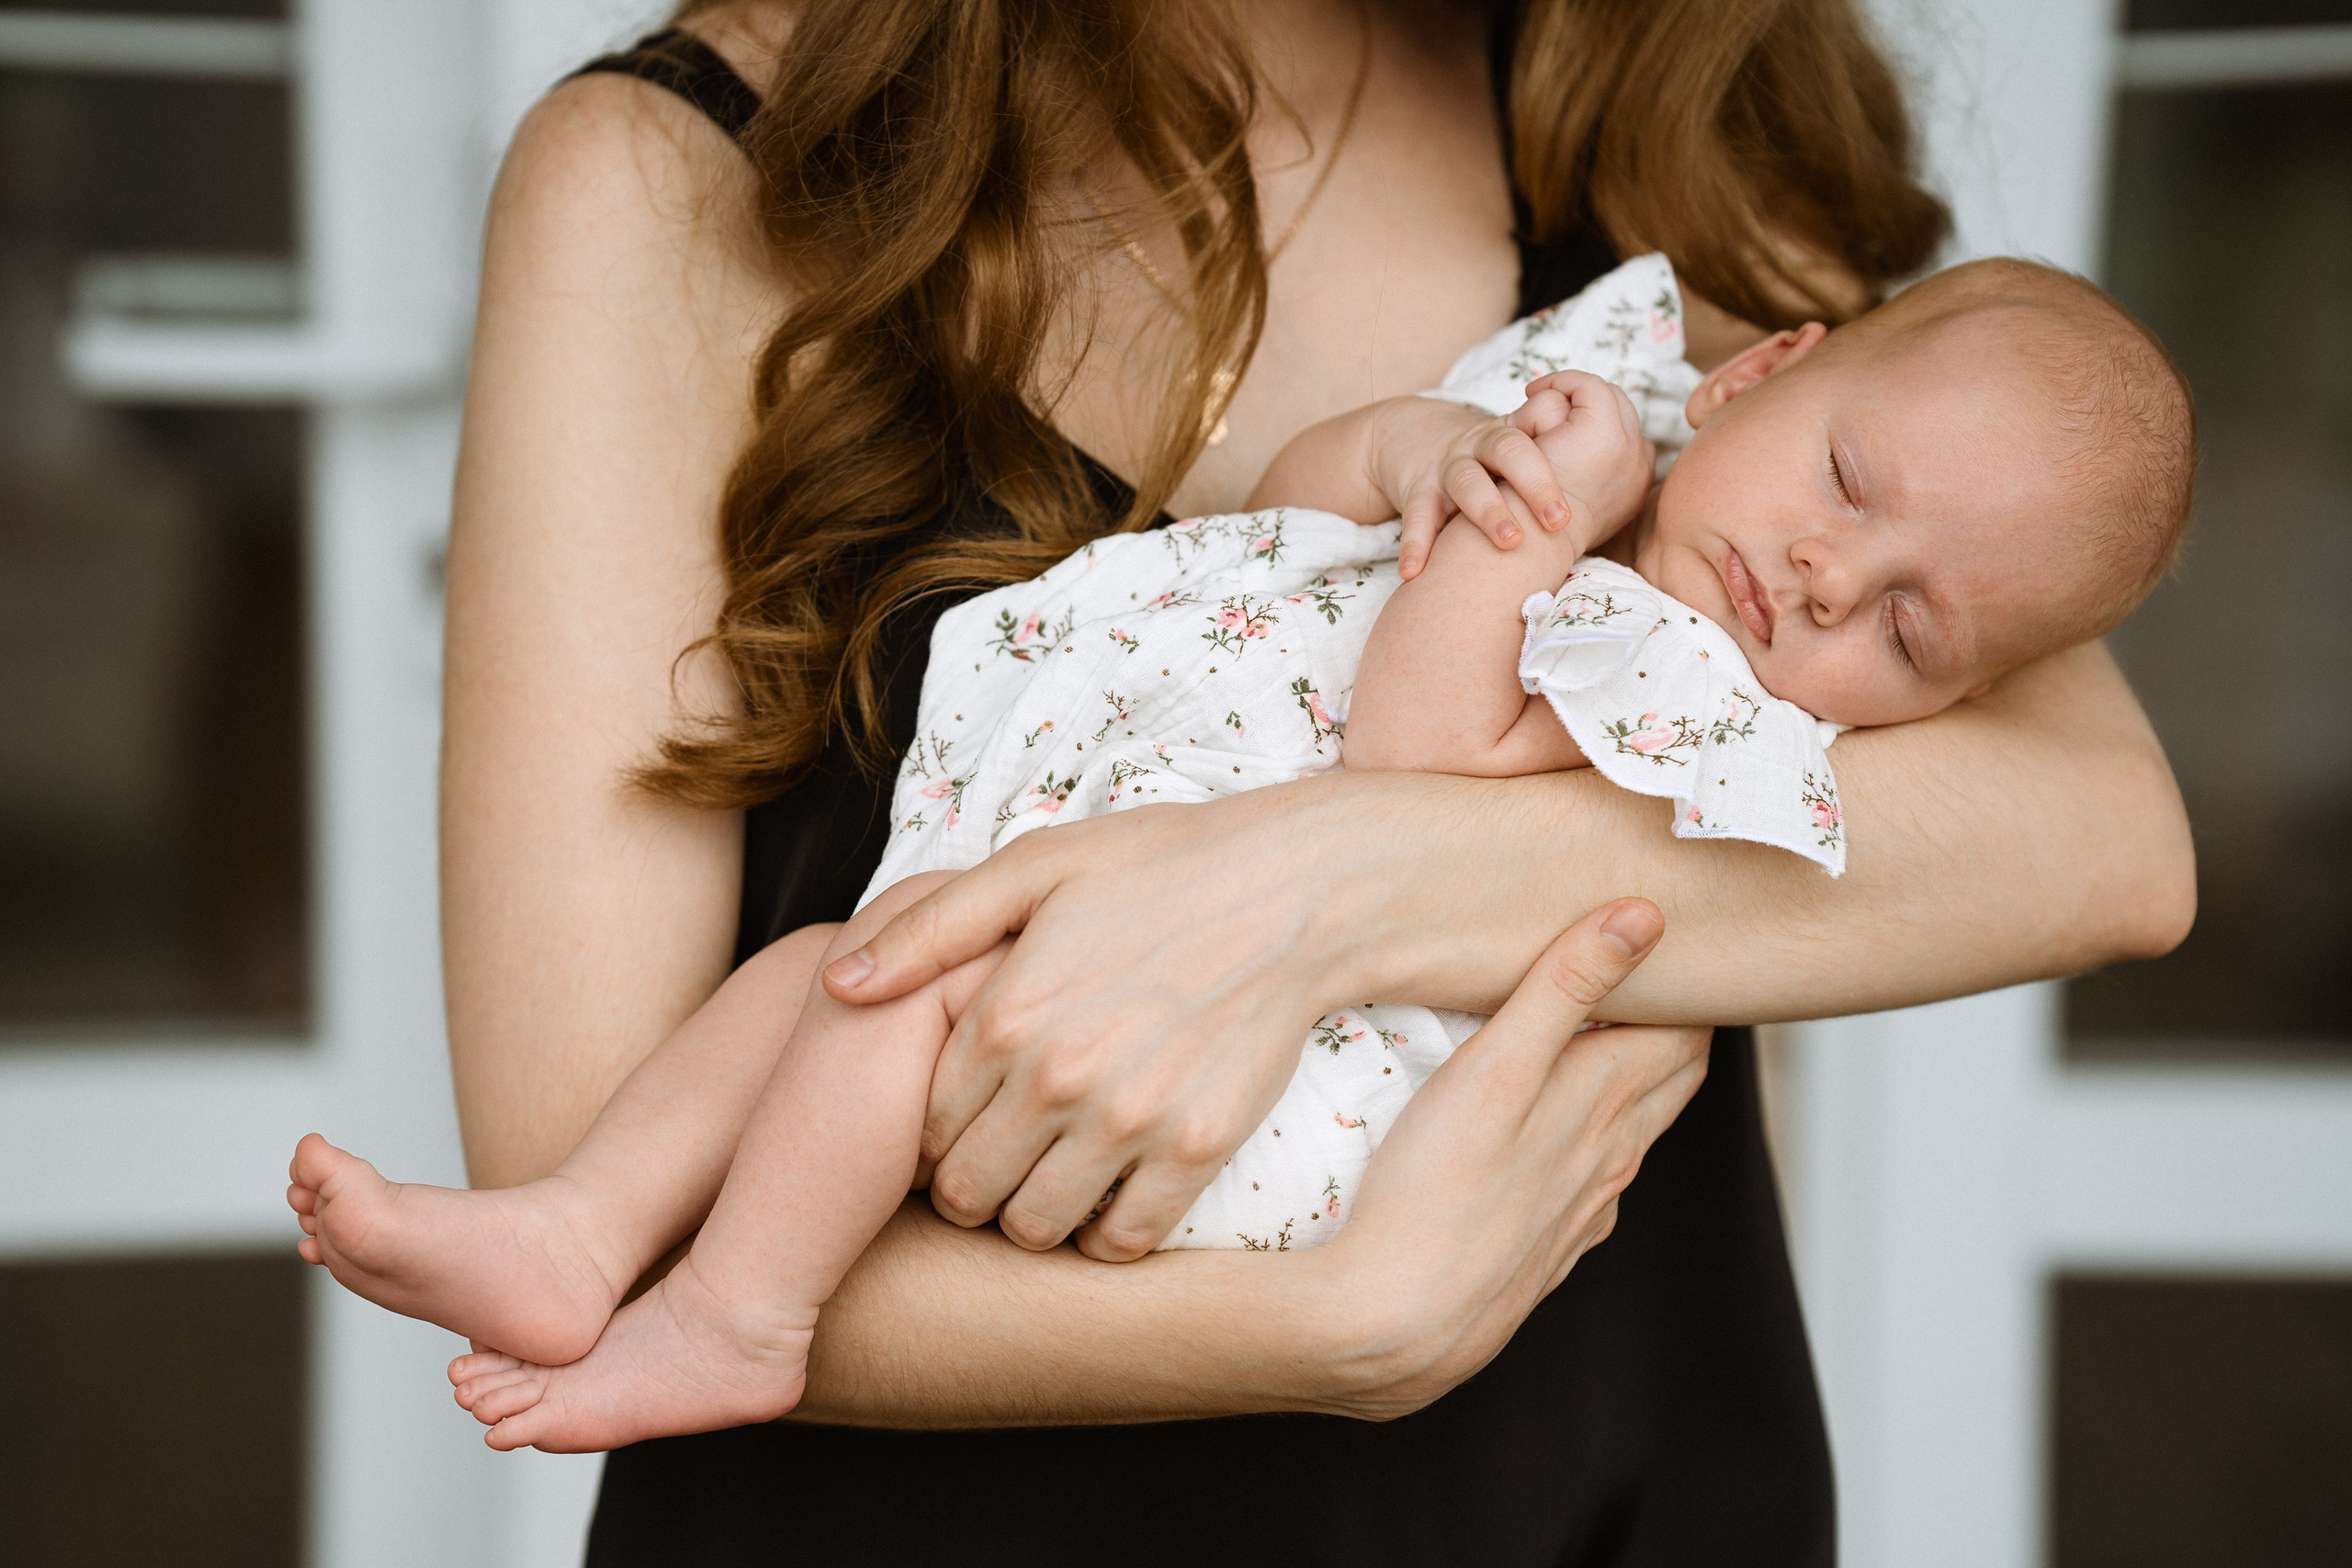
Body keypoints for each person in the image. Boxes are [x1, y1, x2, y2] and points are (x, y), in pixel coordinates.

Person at [438, 0, 2195, 1560]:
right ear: (1758, 380)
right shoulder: (663, 179)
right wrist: (1334, 1327)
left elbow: (2113, 849)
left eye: (1904, 627)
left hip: (1586, 1474)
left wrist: (1309, 895)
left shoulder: (1660, 119)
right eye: (1846, 492)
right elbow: (582, 1143)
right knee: (830, 994)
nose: (1827, 582)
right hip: (929, 1513)